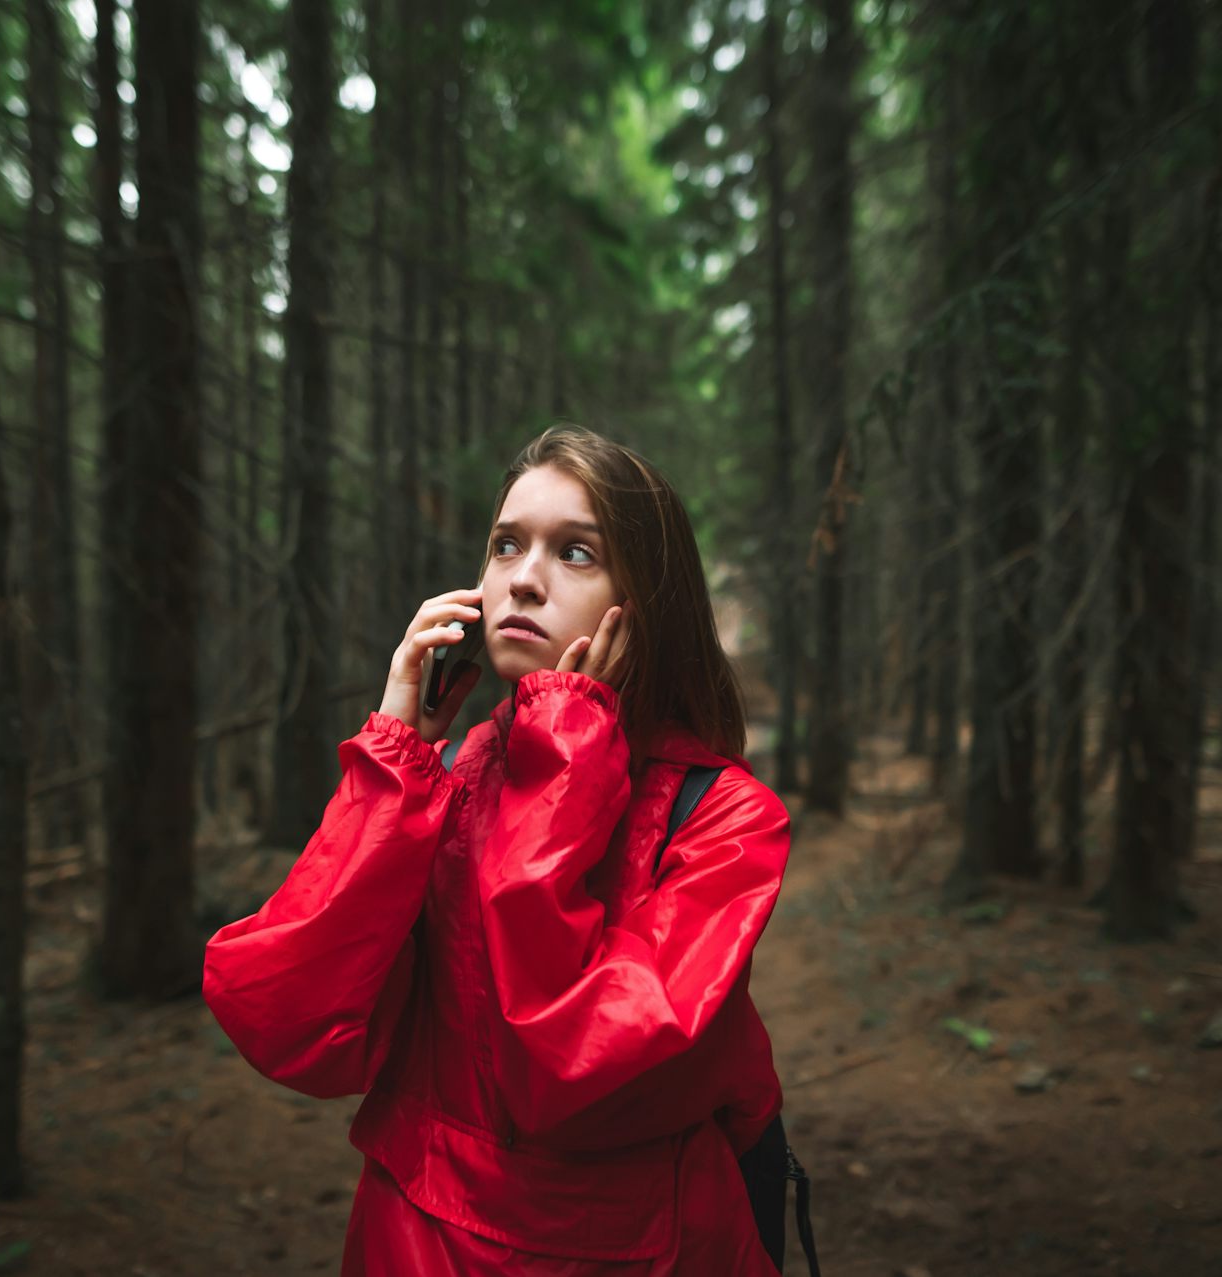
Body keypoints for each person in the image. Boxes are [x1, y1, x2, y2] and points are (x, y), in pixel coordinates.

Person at [202, 426, 793, 1274]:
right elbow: (288, 1015)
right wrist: (395, 755)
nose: (522, 576)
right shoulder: (438, 781)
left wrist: (567, 745)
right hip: (411, 1242)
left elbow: (569, 1061)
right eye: (505, 543)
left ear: (648, 598)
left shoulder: (729, 819)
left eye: (576, 552)